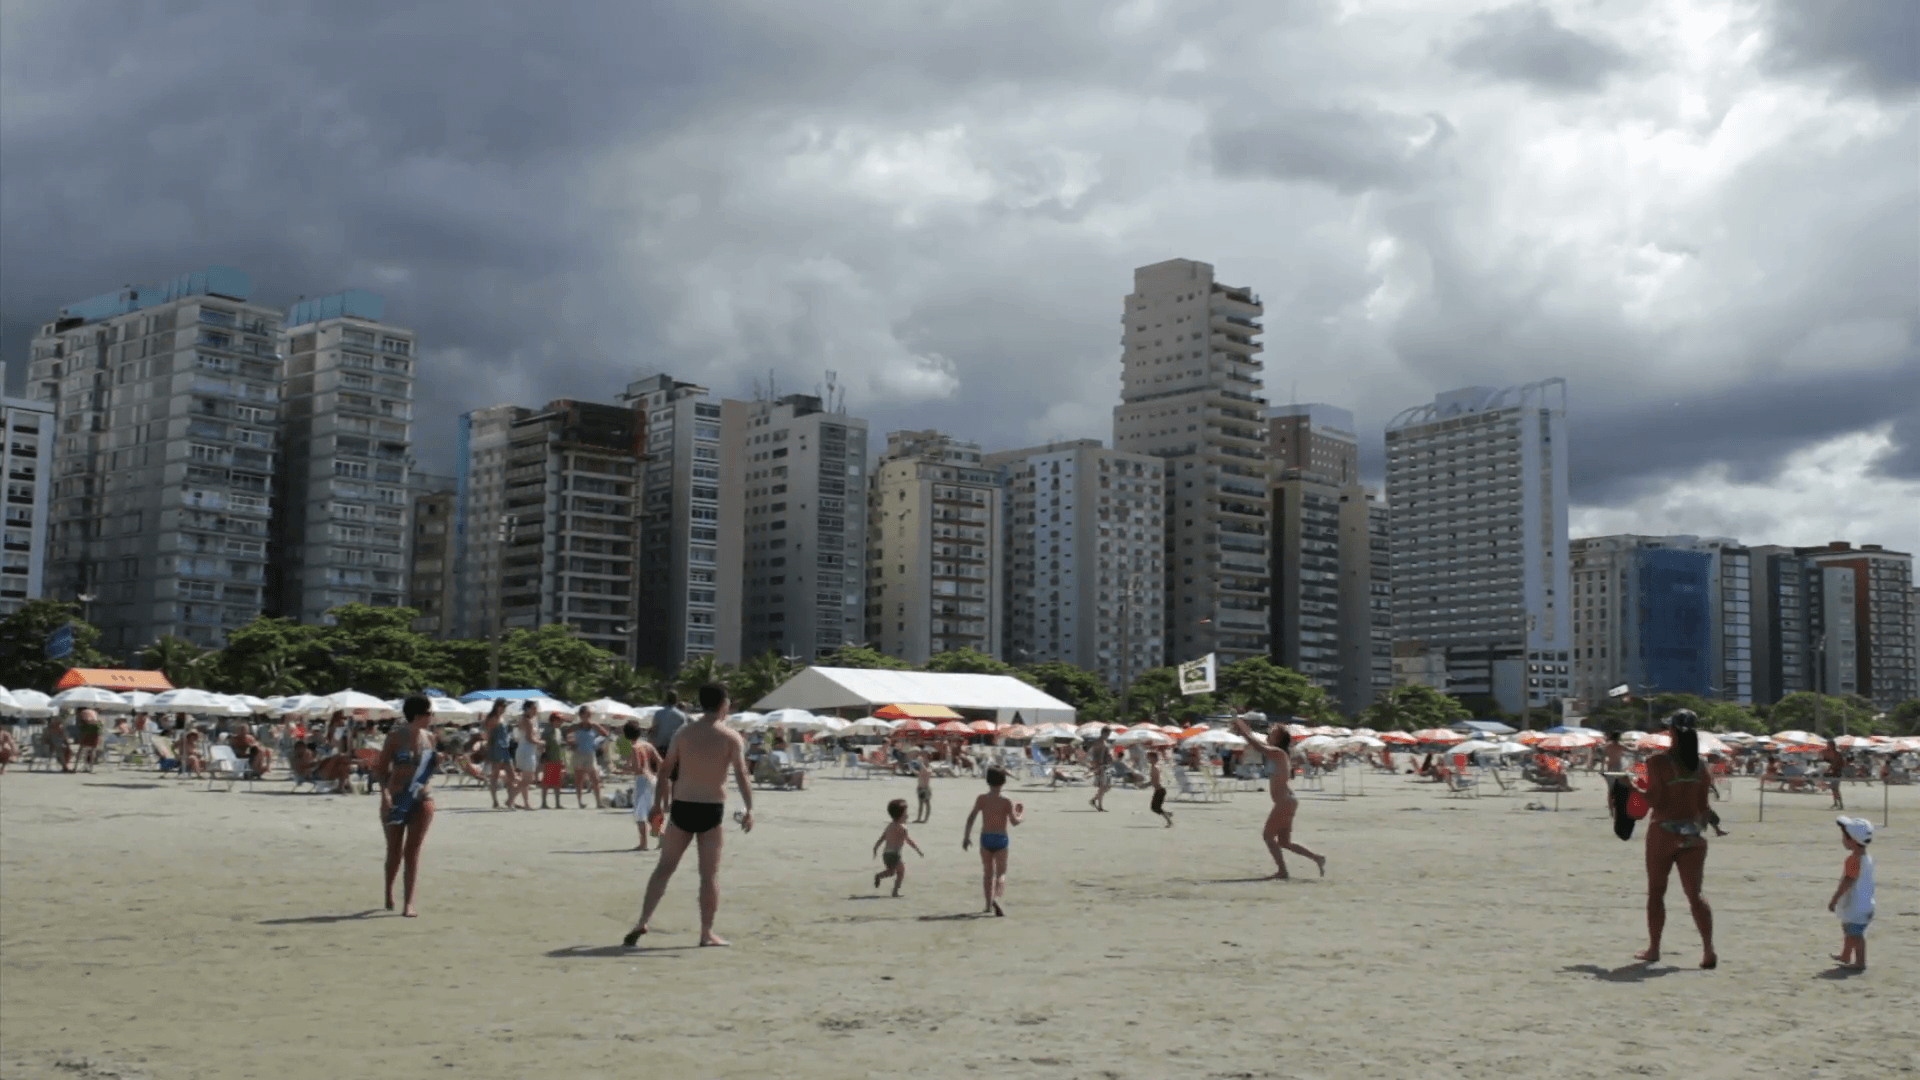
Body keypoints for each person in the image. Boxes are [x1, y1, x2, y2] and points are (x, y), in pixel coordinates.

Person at [623, 685, 753, 947]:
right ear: (723, 705)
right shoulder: (731, 737)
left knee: (664, 867)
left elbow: (665, 771)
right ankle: (706, 933)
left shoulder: (683, 733)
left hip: (682, 805)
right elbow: (741, 774)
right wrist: (750, 807)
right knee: (708, 875)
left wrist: (658, 806)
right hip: (711, 808)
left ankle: (643, 920)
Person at [1636, 710, 1717, 969]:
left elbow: (1655, 801)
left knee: (1656, 892)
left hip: (1663, 832)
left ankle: (1654, 949)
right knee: (1696, 896)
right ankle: (1708, 950)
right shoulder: (1700, 765)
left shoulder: (1658, 761)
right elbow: (1703, 806)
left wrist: (1632, 789)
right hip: (1692, 834)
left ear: (1670, 731)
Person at [1233, 716, 1325, 879]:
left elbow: (1259, 746)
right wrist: (1244, 729)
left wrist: (1244, 732)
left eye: (1272, 733)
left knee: (1268, 836)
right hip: (1288, 801)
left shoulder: (1278, 752)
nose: (1269, 734)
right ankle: (1317, 858)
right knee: (1284, 842)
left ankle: (1282, 871)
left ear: (1279, 739)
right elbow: (1258, 743)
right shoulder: (1278, 753)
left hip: (1284, 801)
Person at [376, 695, 438, 917]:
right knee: (394, 851)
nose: (432, 717)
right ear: (419, 715)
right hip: (396, 797)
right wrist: (384, 794)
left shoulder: (430, 738)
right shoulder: (395, 737)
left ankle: (409, 902)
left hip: (422, 799)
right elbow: (381, 770)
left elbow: (429, 770)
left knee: (412, 851)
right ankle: (388, 891)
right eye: (430, 713)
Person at [962, 767, 1024, 916]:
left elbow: (971, 817)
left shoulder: (982, 798)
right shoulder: (1006, 800)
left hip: (986, 838)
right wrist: (1020, 814)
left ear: (987, 780)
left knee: (988, 873)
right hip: (1001, 838)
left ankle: (988, 905)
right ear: (1003, 782)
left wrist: (966, 836)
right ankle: (997, 898)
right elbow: (1014, 822)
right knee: (1001, 873)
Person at [1828, 816, 1876, 971]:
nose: (1842, 839)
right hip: (1864, 903)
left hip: (1857, 905)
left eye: (1844, 836)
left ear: (1852, 840)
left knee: (1855, 934)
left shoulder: (1853, 860)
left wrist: (1835, 899)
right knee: (1849, 930)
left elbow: (1847, 881)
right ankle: (1845, 955)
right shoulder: (1867, 858)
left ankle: (1860, 962)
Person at [623, 723, 663, 850]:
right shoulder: (647, 745)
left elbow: (637, 769)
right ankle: (662, 837)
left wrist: (623, 770)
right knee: (651, 811)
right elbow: (660, 761)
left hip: (642, 781)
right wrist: (656, 774)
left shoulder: (635, 748)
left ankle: (643, 843)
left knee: (640, 814)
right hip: (653, 779)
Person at [872, 798, 924, 896]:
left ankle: (879, 876)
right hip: (895, 855)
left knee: (891, 872)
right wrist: (918, 850)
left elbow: (882, 839)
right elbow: (908, 841)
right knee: (901, 872)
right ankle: (895, 892)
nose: (907, 815)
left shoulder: (890, 826)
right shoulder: (902, 828)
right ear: (900, 815)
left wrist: (875, 848)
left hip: (886, 854)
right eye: (905, 813)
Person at [568, 707, 612, 809]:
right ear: (581, 715)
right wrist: (571, 744)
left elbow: (606, 734)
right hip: (578, 754)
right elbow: (567, 735)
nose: (589, 716)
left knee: (596, 779)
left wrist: (598, 742)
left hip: (590, 754)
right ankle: (580, 802)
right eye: (587, 714)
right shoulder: (575, 727)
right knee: (579, 779)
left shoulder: (594, 726)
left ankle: (598, 802)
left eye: (590, 714)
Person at [480, 700, 518, 810]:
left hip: (505, 748)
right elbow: (488, 735)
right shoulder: (492, 719)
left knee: (512, 775)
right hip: (496, 748)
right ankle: (495, 801)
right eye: (502, 706)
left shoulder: (503, 717)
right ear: (497, 706)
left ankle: (510, 801)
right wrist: (488, 750)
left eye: (505, 706)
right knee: (495, 776)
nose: (503, 708)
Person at [539, 712, 569, 809]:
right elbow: (542, 745)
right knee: (546, 782)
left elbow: (560, 746)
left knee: (557, 782)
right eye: (559, 720)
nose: (561, 722)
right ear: (553, 720)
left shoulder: (558, 731)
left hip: (557, 759)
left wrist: (562, 760)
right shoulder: (547, 731)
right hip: (548, 759)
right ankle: (543, 803)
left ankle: (557, 803)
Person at [649, 691, 688, 760]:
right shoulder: (681, 716)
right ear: (677, 700)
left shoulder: (658, 713)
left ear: (666, 699)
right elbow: (684, 734)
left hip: (659, 749)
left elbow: (654, 730)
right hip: (674, 750)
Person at [1088, 727, 1113, 812]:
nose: (1109, 735)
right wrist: (1099, 766)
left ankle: (1095, 800)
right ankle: (1099, 805)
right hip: (1102, 766)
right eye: (1108, 733)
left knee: (1106, 786)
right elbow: (1099, 756)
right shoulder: (1100, 742)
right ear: (1105, 733)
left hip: (1104, 766)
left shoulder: (1102, 742)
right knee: (1103, 786)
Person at [1147, 750, 1174, 827]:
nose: (1148, 760)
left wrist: (1145, 785)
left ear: (1154, 759)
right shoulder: (1154, 767)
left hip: (1160, 790)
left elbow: (1155, 780)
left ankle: (1169, 821)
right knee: (1155, 807)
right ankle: (1168, 814)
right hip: (1159, 790)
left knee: (1156, 808)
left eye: (1149, 758)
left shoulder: (1155, 768)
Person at [73, 708, 103, 772]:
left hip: (86, 733)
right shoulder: (94, 712)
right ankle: (90, 768)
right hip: (95, 733)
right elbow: (99, 724)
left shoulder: (82, 712)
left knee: (81, 750)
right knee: (92, 751)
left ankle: (75, 767)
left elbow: (81, 725)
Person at [1822, 738, 1846, 810]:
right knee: (1834, 789)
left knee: (1835, 789)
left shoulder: (1837, 754)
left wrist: (1831, 769)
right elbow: (1831, 763)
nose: (1827, 746)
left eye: (1828, 745)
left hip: (1837, 773)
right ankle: (1836, 803)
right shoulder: (1831, 754)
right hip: (1833, 772)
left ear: (1832, 745)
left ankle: (1840, 804)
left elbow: (1839, 764)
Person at [914, 752, 933, 823]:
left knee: (927, 804)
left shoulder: (929, 767)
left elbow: (927, 772)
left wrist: (921, 764)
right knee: (920, 805)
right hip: (920, 787)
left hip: (926, 788)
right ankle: (918, 818)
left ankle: (925, 819)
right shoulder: (921, 767)